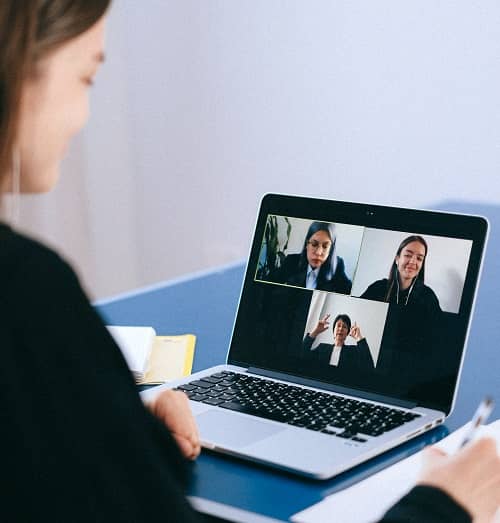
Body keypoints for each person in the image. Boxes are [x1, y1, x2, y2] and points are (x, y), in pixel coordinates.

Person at [1, 2, 499, 522]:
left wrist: (114, 426)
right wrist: (442, 506)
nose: (85, 114)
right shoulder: (27, 298)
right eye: (87, 77)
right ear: (16, 68)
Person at [361, 235, 441, 313]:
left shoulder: (428, 297)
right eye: (408, 255)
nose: (413, 262)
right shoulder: (377, 288)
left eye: (419, 258)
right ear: (397, 259)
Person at [271, 221, 352, 293]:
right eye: (314, 244)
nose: (318, 252)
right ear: (307, 244)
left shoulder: (337, 267)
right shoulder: (291, 261)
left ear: (331, 250)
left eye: (325, 246)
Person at [302, 313, 374, 371]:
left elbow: (369, 367)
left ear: (347, 333)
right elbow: (301, 355)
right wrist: (315, 332)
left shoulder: (353, 351)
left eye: (344, 327)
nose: (341, 329)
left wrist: (359, 337)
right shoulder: (322, 348)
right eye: (338, 325)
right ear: (333, 331)